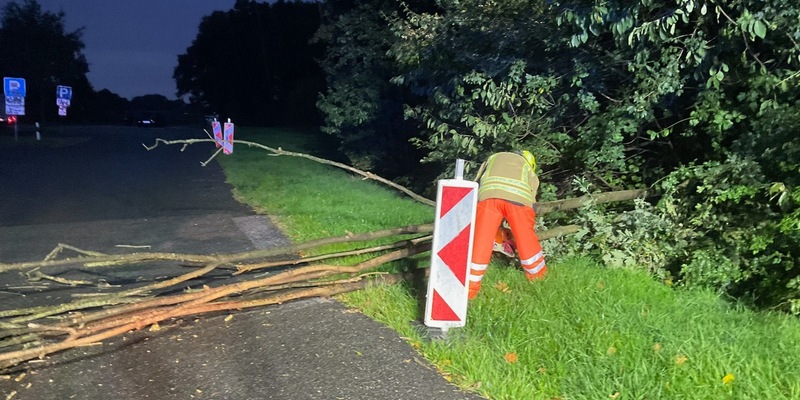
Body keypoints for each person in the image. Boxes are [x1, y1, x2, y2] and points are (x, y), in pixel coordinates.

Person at [469, 150, 547, 299]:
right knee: (526, 240)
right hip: (519, 201)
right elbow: (532, 196)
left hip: (488, 197)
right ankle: (539, 281)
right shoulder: (526, 167)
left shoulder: (492, 158)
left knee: (481, 241)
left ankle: (469, 290)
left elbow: (477, 181)